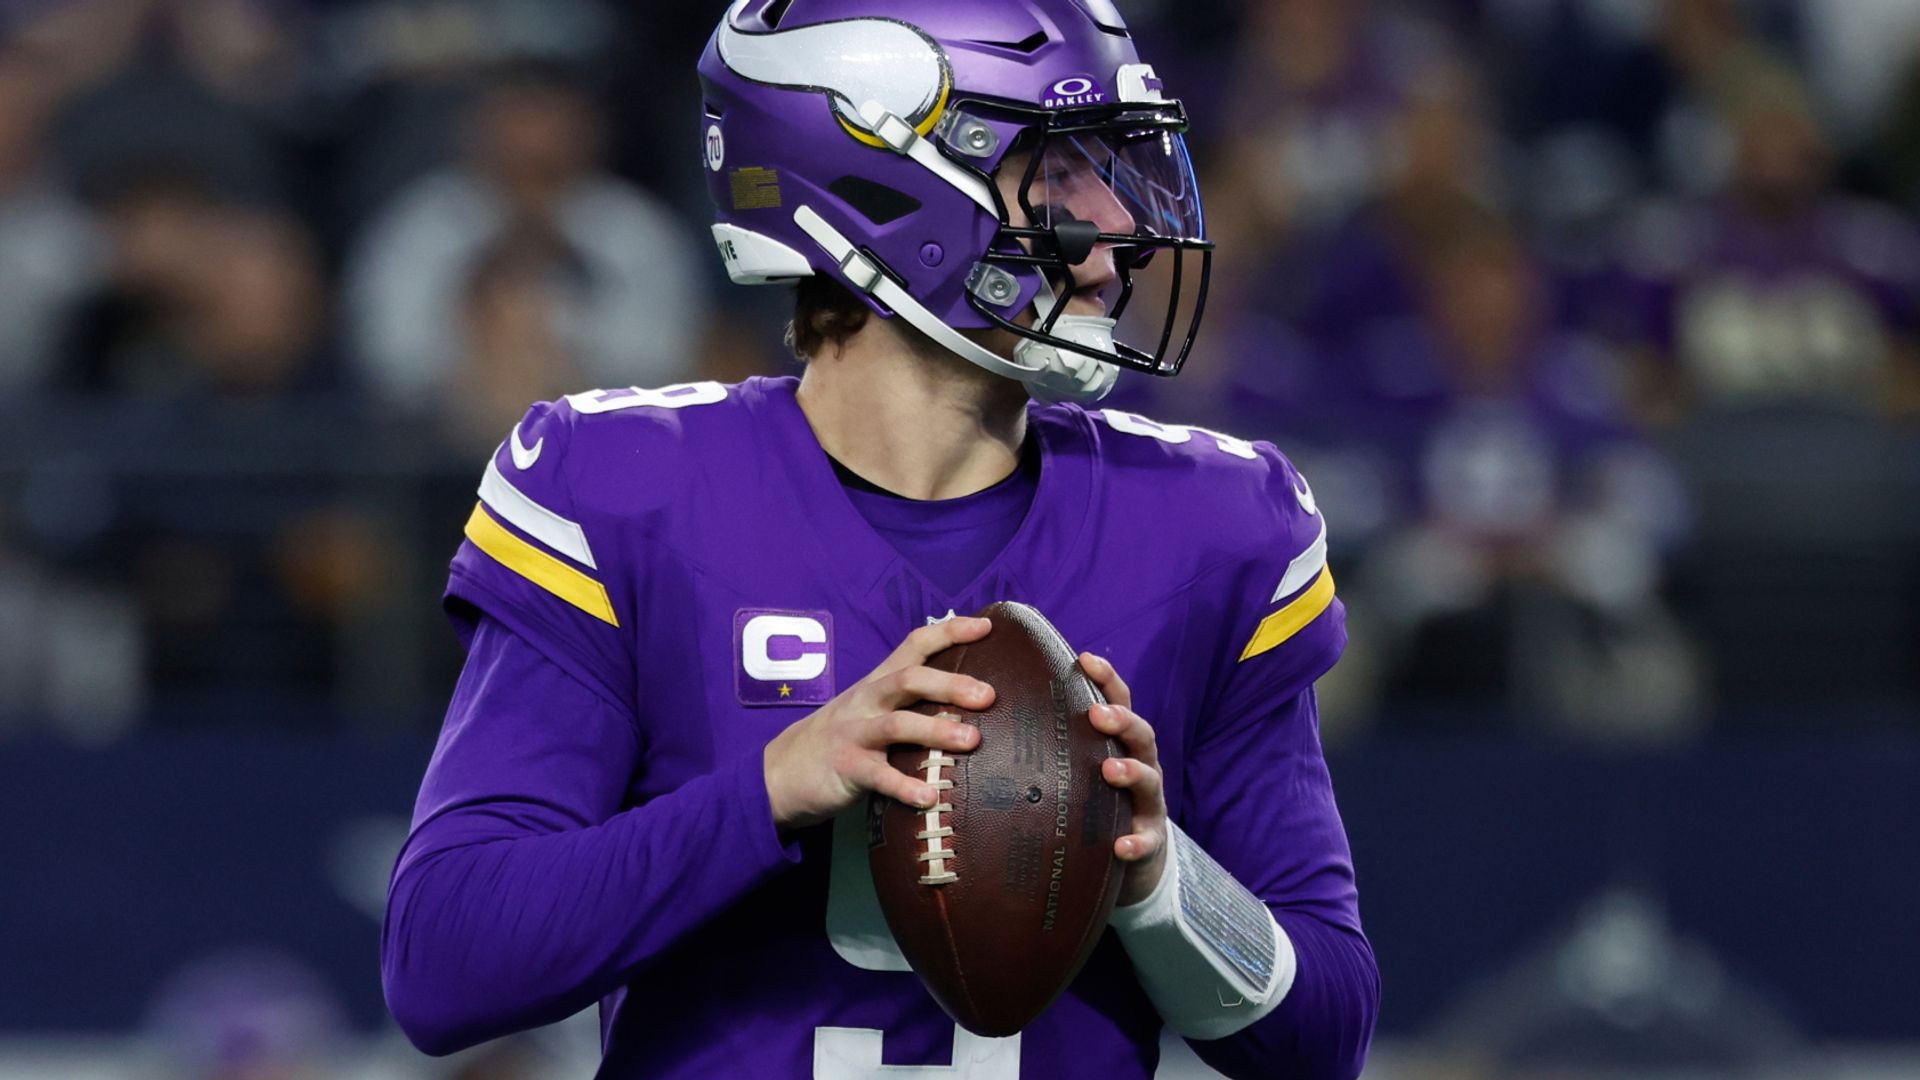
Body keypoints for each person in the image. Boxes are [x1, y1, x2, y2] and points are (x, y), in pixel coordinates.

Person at [382, 2, 1379, 1077]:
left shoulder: (1208, 523)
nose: (1118, 224)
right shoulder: (624, 490)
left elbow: (1327, 1035)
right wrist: (773, 789)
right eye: (1058, 172)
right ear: (881, 183)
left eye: (1113, 170)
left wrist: (1158, 879)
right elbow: (445, 964)